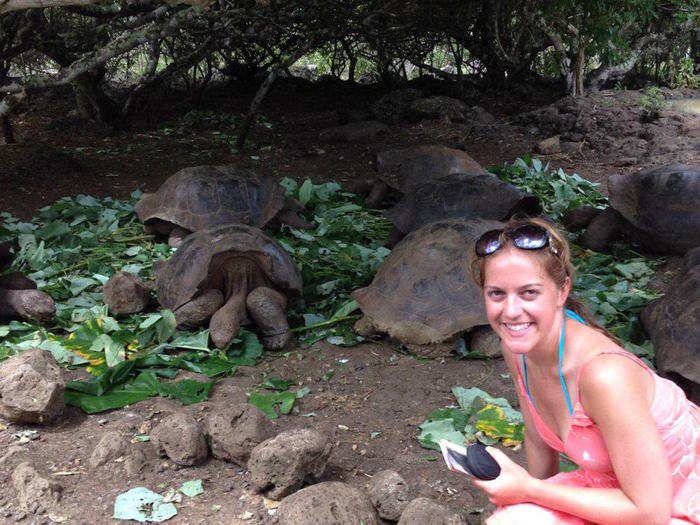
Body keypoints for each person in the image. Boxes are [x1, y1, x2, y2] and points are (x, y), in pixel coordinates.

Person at [468, 218, 699, 524]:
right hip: (617, 493)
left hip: (674, 504)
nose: (510, 311)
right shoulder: (517, 351)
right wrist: (526, 499)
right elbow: (537, 440)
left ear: (562, 291)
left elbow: (650, 514)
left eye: (529, 293)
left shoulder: (605, 376)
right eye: (497, 293)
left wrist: (530, 490)